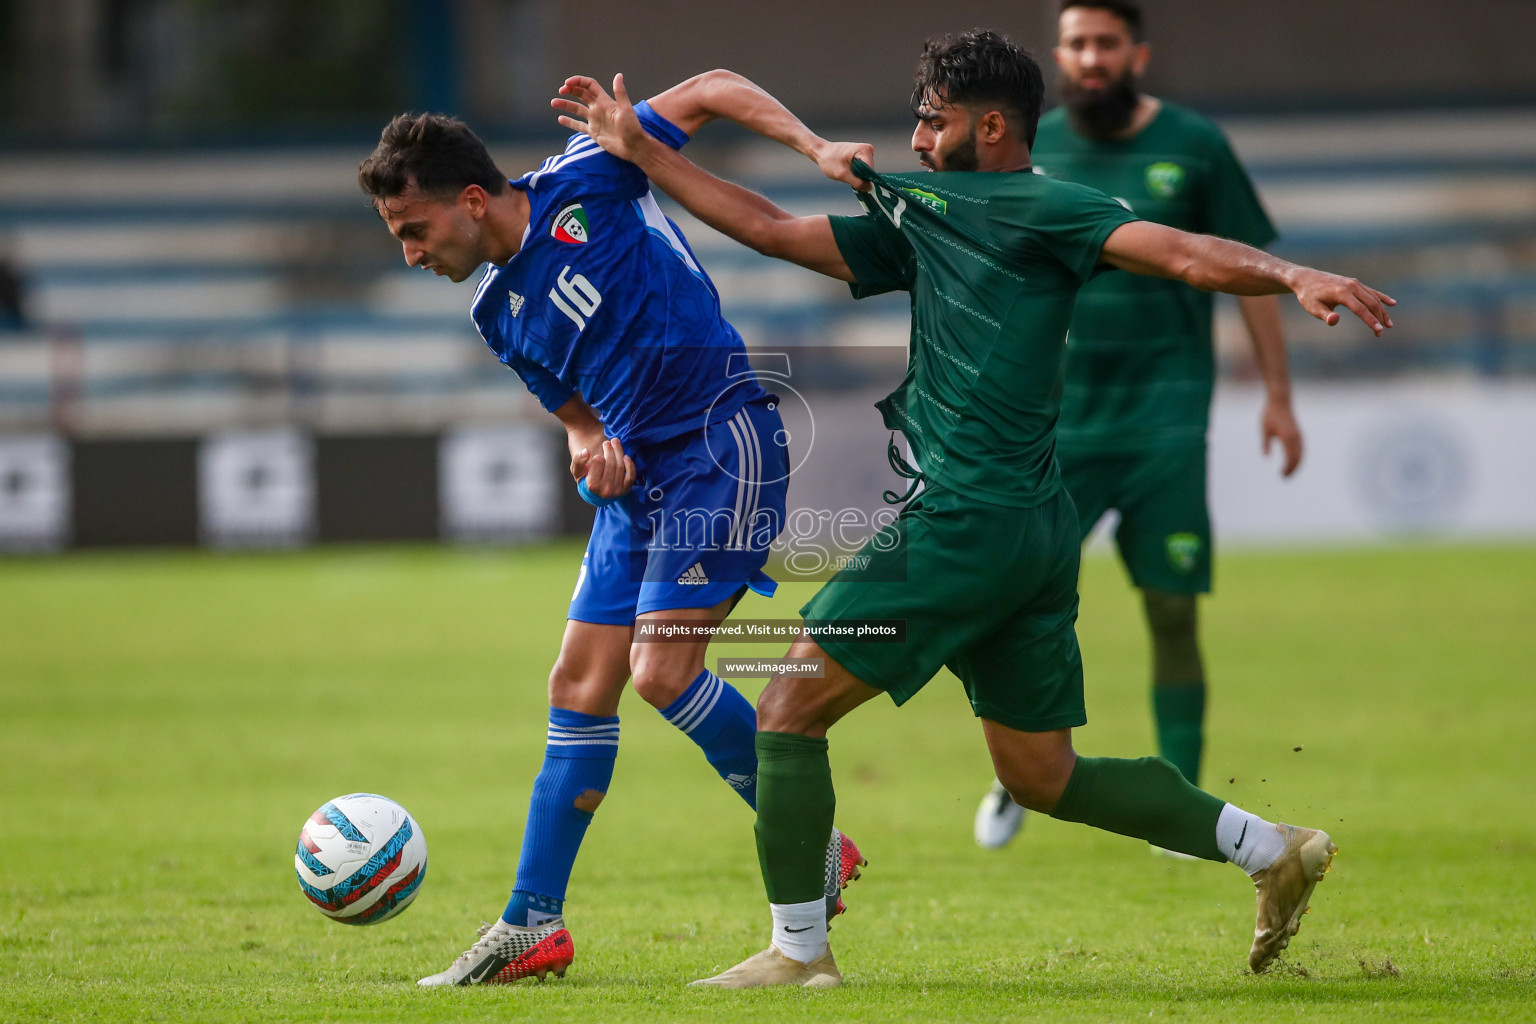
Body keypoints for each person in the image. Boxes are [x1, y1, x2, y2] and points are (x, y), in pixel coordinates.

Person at [555, 29, 1392, 986]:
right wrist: (647, 157)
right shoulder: (934, 219)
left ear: (991, 126)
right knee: (1041, 775)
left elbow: (1186, 254)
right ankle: (1270, 846)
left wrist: (1291, 275)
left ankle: (798, 954)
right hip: (1033, 525)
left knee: (788, 709)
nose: (915, 138)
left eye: (933, 120)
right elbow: (771, 230)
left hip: (966, 519)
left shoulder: (1039, 205)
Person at [356, 78, 864, 987]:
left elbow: (714, 87)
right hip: (639, 489)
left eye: (414, 230)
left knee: (661, 672)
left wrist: (818, 150)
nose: (409, 254)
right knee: (578, 683)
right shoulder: (491, 312)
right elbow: (575, 414)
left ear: (471, 201)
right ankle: (531, 925)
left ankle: (811, 840)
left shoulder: (588, 175)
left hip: (720, 444)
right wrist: (591, 444)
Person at [974, 0, 1303, 851]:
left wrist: (1277, 395)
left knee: (1171, 611)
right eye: (1077, 43)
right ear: (1059, 53)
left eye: (1106, 43)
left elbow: (1251, 270)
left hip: (1164, 426)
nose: (1091, 58)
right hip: (1054, 429)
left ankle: (1181, 800)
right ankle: (1021, 767)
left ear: (1136, 53)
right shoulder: (1029, 146)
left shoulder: (1195, 146)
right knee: (1007, 602)